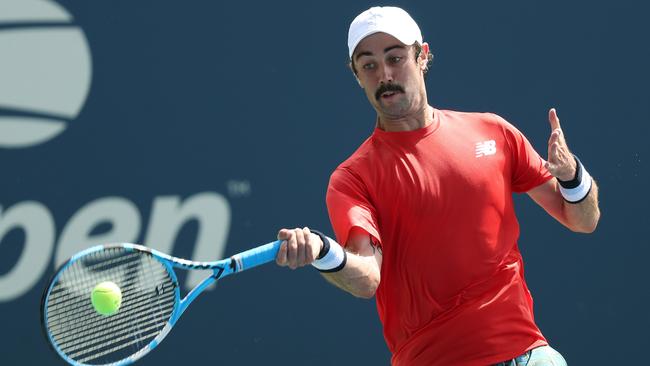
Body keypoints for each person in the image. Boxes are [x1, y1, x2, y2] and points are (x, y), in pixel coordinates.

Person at [275, 6, 600, 366]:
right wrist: (323, 251)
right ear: (356, 75)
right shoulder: (353, 178)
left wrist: (571, 175)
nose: (384, 74)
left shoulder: (494, 132)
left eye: (395, 58)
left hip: (529, 354)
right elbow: (366, 278)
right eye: (368, 65)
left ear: (422, 56)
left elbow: (582, 219)